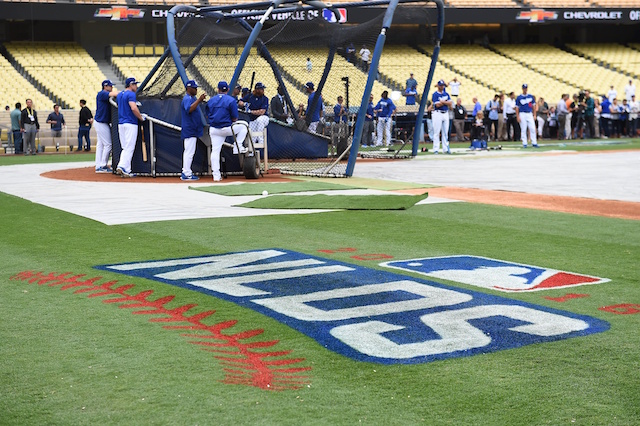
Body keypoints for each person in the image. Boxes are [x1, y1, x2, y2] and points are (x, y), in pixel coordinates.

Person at [206, 80, 249, 182]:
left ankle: (216, 176)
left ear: (218, 89)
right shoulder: (231, 100)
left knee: (215, 151)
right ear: (228, 89)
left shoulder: (211, 100)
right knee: (244, 125)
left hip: (214, 129)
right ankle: (237, 146)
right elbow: (234, 118)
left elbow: (207, 115)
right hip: (227, 128)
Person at [116, 77, 145, 177]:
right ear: (131, 85)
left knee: (125, 147)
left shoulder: (120, 94)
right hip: (130, 123)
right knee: (129, 147)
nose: (136, 86)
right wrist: (140, 117)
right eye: (135, 84)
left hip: (121, 123)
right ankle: (122, 166)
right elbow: (133, 107)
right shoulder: (131, 94)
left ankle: (127, 170)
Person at [180, 79, 206, 181]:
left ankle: (186, 172)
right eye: (194, 88)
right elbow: (189, 109)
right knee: (189, 152)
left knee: (189, 151)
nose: (196, 89)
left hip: (192, 129)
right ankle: (186, 173)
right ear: (189, 88)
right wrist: (199, 100)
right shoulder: (187, 98)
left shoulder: (191, 98)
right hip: (189, 129)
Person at [94, 79, 118, 173]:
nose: (112, 88)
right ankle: (103, 165)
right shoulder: (102, 93)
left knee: (100, 145)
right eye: (110, 86)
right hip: (101, 122)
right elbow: (114, 94)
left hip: (100, 121)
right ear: (105, 86)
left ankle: (98, 165)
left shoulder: (103, 94)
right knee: (108, 144)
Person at [431, 80, 452, 154]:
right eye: (441, 85)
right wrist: (445, 102)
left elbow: (450, 103)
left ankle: (445, 148)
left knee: (445, 132)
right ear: (438, 86)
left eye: (443, 85)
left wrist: (442, 102)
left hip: (445, 113)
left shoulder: (446, 93)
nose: (442, 87)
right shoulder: (435, 94)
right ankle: (436, 149)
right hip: (438, 113)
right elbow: (437, 105)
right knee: (436, 132)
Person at [515, 83, 537, 148]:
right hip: (522, 113)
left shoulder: (530, 96)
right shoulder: (519, 97)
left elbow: (533, 106)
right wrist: (518, 116)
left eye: (526, 88)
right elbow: (517, 107)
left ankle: (534, 142)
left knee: (532, 128)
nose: (525, 89)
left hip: (529, 113)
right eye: (524, 88)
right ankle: (524, 143)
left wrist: (534, 114)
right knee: (523, 128)